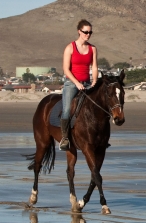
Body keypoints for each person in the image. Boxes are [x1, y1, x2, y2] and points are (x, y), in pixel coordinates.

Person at [60, 19, 98, 150]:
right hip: (72, 83)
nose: (88, 34)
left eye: (90, 32)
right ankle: (64, 138)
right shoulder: (70, 48)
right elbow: (66, 69)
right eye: (85, 32)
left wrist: (94, 81)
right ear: (79, 31)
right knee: (66, 110)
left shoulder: (93, 48)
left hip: (87, 83)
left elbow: (94, 67)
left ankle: (98, 136)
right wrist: (76, 83)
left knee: (97, 107)